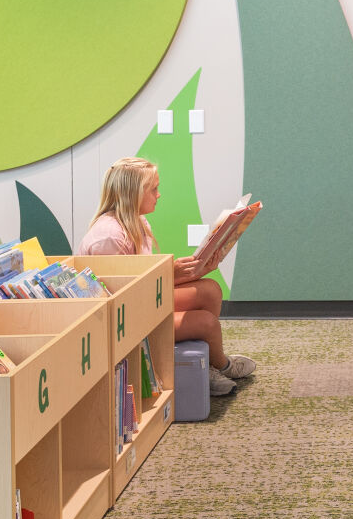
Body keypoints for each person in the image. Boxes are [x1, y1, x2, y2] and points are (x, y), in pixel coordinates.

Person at [78, 156, 256, 397]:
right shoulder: (109, 237)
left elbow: (143, 283)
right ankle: (220, 364)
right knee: (207, 323)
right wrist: (169, 273)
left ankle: (206, 362)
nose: (159, 195)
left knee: (210, 290)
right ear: (133, 193)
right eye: (153, 189)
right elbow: (122, 299)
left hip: (140, 303)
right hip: (123, 319)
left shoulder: (137, 222)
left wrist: (196, 270)